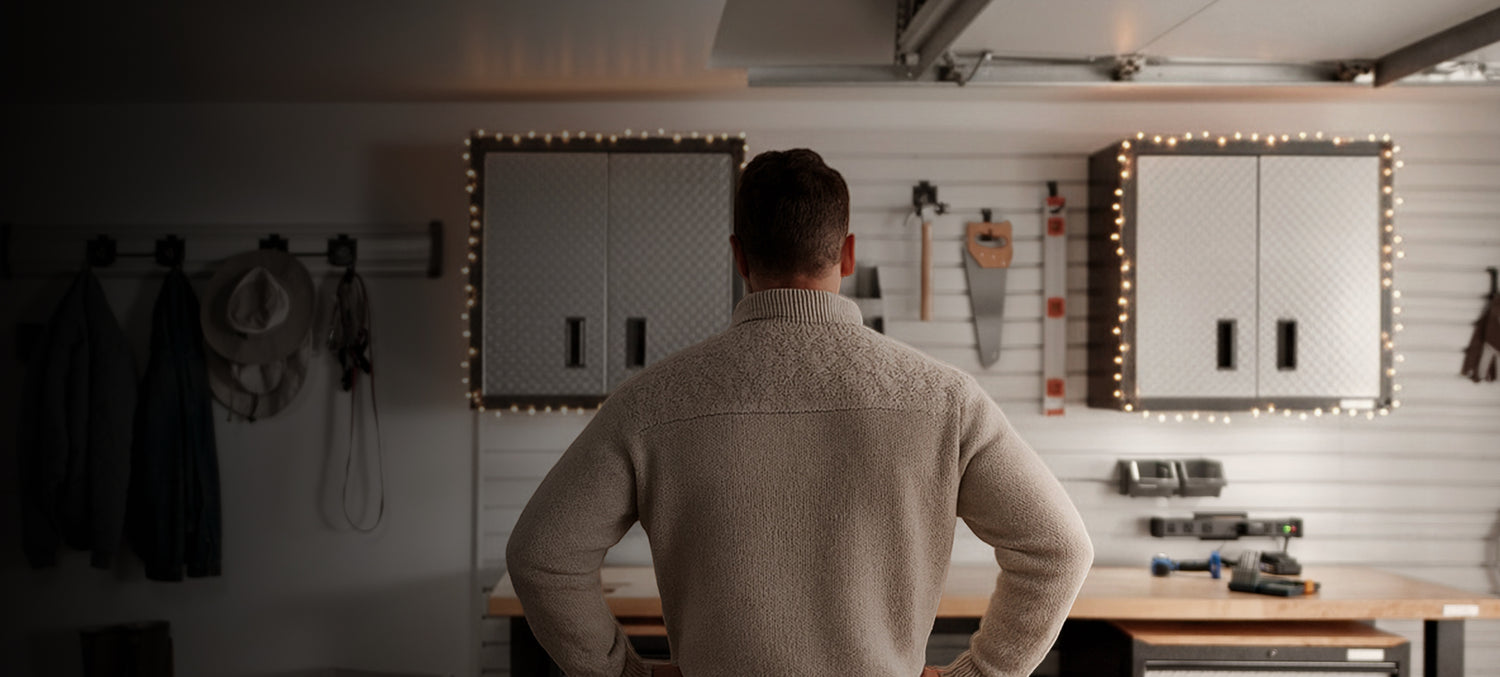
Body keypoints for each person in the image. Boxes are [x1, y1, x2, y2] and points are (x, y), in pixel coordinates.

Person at [506, 148, 1093, 677]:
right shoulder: (945, 399)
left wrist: (622, 675)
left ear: (738, 256)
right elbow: (1060, 549)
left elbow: (541, 556)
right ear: (847, 253)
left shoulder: (650, 402)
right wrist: (979, 675)